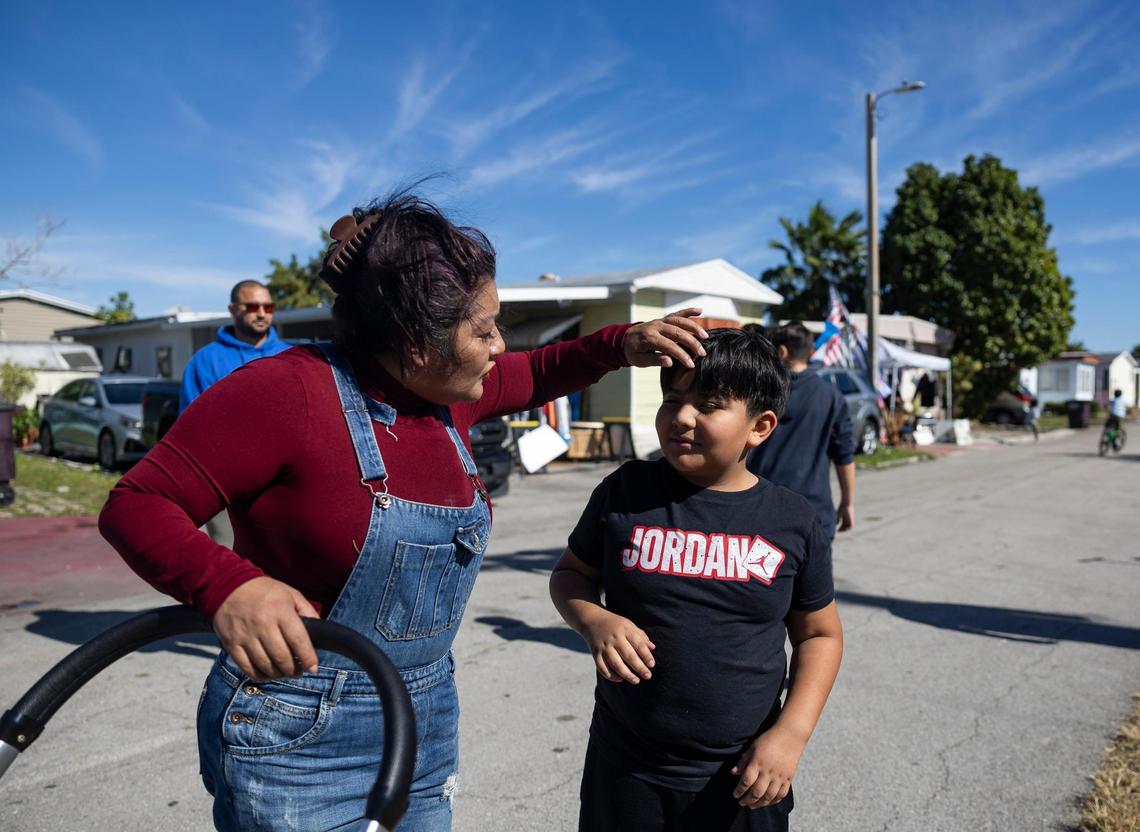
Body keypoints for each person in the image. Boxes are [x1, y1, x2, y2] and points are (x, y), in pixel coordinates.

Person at [98, 190, 708, 832]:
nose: (500, 346)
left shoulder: (452, 393)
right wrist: (228, 586)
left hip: (423, 716)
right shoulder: (285, 393)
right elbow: (138, 503)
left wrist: (624, 342)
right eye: (484, 330)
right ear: (416, 341)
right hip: (298, 735)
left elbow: (539, 369)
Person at [550, 328, 843, 832]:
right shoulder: (625, 491)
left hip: (742, 776)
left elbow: (820, 634)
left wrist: (791, 735)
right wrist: (593, 620)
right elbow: (570, 576)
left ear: (760, 426)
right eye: (673, 399)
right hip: (627, 770)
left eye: (709, 405)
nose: (682, 417)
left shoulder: (791, 519)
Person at [744, 322, 856, 539]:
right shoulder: (831, 396)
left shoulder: (760, 393)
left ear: (782, 352)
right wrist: (847, 502)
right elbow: (845, 456)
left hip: (760, 509)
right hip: (815, 512)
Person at [179, 280, 290, 413]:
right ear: (233, 309)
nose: (262, 314)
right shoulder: (205, 361)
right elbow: (193, 422)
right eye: (252, 307)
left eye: (268, 307)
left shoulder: (291, 355)